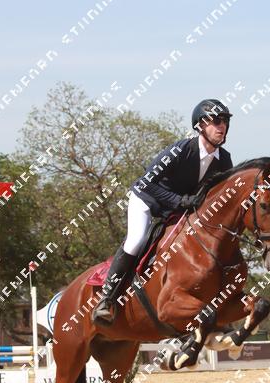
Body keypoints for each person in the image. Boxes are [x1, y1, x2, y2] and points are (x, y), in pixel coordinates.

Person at [92, 99, 234, 325]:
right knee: (136, 240)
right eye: (216, 121)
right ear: (200, 125)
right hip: (147, 199)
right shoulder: (180, 150)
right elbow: (147, 182)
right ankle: (106, 299)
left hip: (176, 209)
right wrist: (179, 200)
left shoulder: (224, 160)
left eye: (225, 121)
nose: (222, 126)